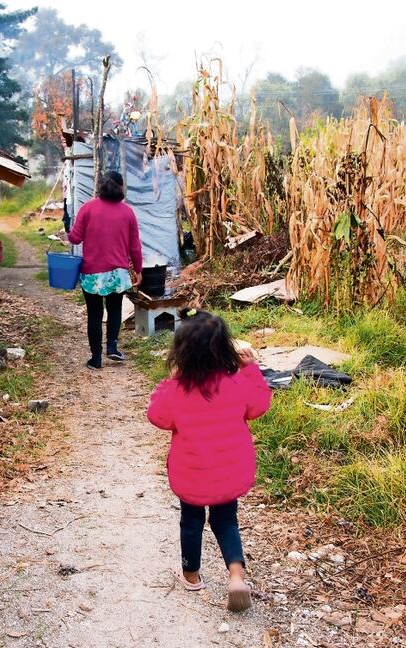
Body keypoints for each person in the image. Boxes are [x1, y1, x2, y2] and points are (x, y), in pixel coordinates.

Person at [146, 308, 272, 612]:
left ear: (182, 353)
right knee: (226, 520)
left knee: (191, 522)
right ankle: (236, 574)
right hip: (229, 472)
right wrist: (251, 367)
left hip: (192, 475)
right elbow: (259, 405)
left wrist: (169, 381)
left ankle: (191, 575)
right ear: (225, 348)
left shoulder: (177, 390)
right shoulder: (236, 382)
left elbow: (157, 416)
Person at [67, 171, 143, 370]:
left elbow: (75, 238)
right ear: (120, 187)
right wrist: (138, 269)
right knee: (115, 309)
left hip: (92, 272)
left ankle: (96, 358)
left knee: (94, 314)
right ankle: (112, 347)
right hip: (117, 273)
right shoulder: (127, 212)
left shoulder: (87, 208)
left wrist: (69, 228)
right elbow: (135, 245)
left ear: (101, 186)